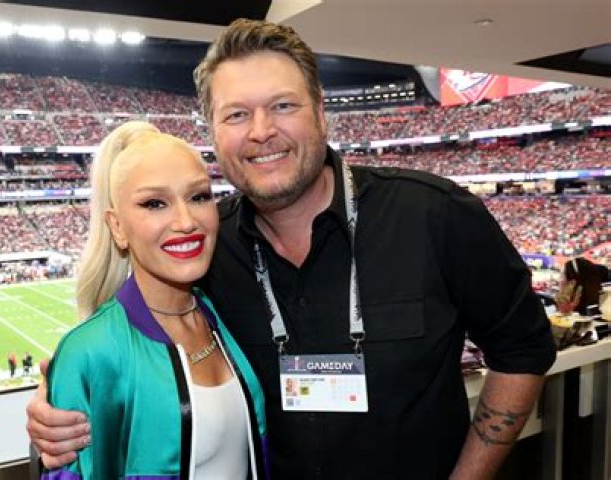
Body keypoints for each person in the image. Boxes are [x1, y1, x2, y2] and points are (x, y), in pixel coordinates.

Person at [27, 19, 557, 478]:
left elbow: (523, 349)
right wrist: (57, 403)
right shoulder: (207, 246)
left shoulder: (433, 215)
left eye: (282, 106)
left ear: (321, 112)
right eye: (236, 115)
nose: (261, 132)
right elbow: (130, 341)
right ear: (213, 131)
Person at [40, 122, 267, 479]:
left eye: (199, 197)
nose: (185, 221)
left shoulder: (220, 310)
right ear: (117, 226)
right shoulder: (91, 349)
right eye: (155, 203)